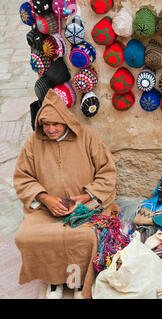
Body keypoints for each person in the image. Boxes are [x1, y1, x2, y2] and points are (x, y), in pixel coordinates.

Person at [13, 89, 118, 299]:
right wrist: (45, 198)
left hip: (86, 209)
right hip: (47, 209)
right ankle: (53, 279)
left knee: (86, 236)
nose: (50, 130)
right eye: (46, 125)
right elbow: (22, 177)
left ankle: (79, 280)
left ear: (66, 122)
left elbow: (108, 173)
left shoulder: (88, 136)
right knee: (26, 236)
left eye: (56, 124)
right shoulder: (33, 143)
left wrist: (87, 196)